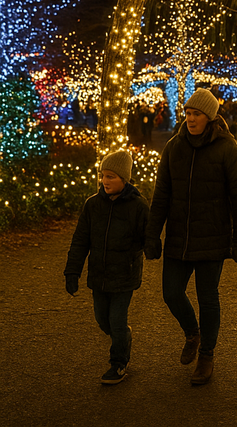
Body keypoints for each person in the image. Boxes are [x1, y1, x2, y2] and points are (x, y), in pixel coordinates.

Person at [145, 88, 237, 385]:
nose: (191, 119)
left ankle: (207, 354)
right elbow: (162, 195)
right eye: (188, 114)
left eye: (197, 114)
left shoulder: (227, 149)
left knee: (208, 298)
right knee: (171, 293)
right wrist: (152, 235)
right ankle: (193, 333)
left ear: (210, 117)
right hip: (179, 235)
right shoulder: (173, 147)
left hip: (213, 237)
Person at [64, 150, 149, 385]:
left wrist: (151, 248)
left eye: (111, 176)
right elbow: (80, 240)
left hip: (124, 275)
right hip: (99, 275)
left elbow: (148, 237)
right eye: (103, 175)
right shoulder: (92, 205)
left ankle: (118, 363)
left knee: (117, 320)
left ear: (124, 178)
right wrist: (72, 271)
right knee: (103, 320)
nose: (105, 181)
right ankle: (123, 338)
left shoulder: (138, 206)